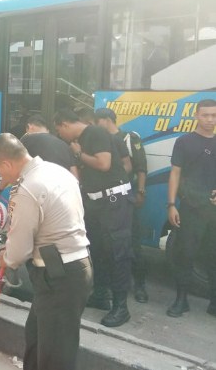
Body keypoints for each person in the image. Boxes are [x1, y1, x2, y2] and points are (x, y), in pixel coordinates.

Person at [0, 133, 92, 370]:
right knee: (37, 337)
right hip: (72, 269)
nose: (1, 177)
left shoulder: (28, 188)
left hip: (59, 276)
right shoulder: (57, 171)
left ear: (6, 163)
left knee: (55, 356)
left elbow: (18, 252)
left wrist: (6, 256)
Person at [54, 108, 132, 327]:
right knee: (98, 250)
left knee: (118, 253)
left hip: (114, 203)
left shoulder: (95, 133)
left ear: (65, 124)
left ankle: (121, 307)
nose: (61, 137)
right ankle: (100, 295)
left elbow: (103, 163)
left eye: (60, 132)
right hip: (96, 203)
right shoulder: (83, 138)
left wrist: (78, 153)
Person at [166, 99, 216, 318]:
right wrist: (171, 205)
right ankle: (181, 300)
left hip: (213, 211)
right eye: (205, 115)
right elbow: (175, 173)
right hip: (190, 208)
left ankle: (214, 302)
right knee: (185, 255)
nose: (210, 119)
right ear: (196, 115)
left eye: (214, 115)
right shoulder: (184, 141)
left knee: (213, 257)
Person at [95, 107, 149, 303]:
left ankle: (140, 286)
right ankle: (110, 285)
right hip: (108, 202)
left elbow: (141, 167)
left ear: (107, 120)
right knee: (109, 244)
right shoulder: (99, 140)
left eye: (98, 121)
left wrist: (141, 192)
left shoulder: (129, 137)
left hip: (128, 197)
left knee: (133, 244)